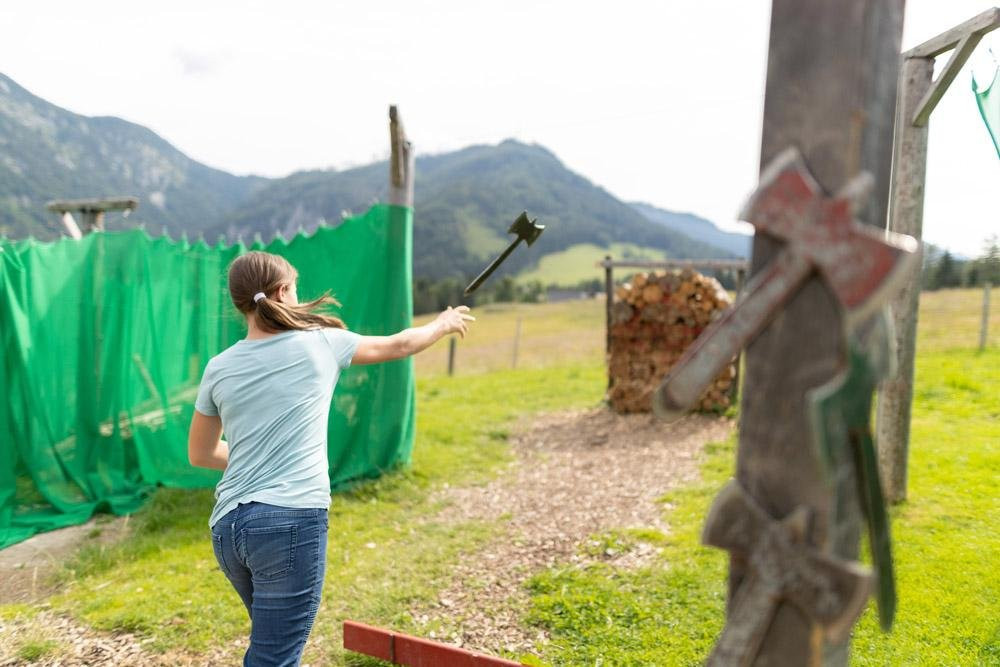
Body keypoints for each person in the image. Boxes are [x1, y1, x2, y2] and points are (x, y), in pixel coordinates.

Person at [188, 250, 473, 666]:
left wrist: (259, 457)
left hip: (228, 528)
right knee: (274, 657)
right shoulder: (320, 343)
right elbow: (399, 344)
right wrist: (443, 323)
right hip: (289, 522)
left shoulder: (218, 367)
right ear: (284, 291)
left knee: (275, 645)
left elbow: (200, 453)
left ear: (239, 303)